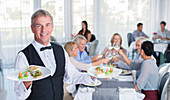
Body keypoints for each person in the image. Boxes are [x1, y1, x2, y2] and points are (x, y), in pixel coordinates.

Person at [14, 9, 94, 100]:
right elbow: (19, 95)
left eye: (47, 25)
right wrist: (26, 84)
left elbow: (72, 76)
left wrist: (92, 75)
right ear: (32, 28)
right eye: (39, 26)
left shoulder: (60, 50)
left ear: (52, 27)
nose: (44, 30)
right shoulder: (23, 56)